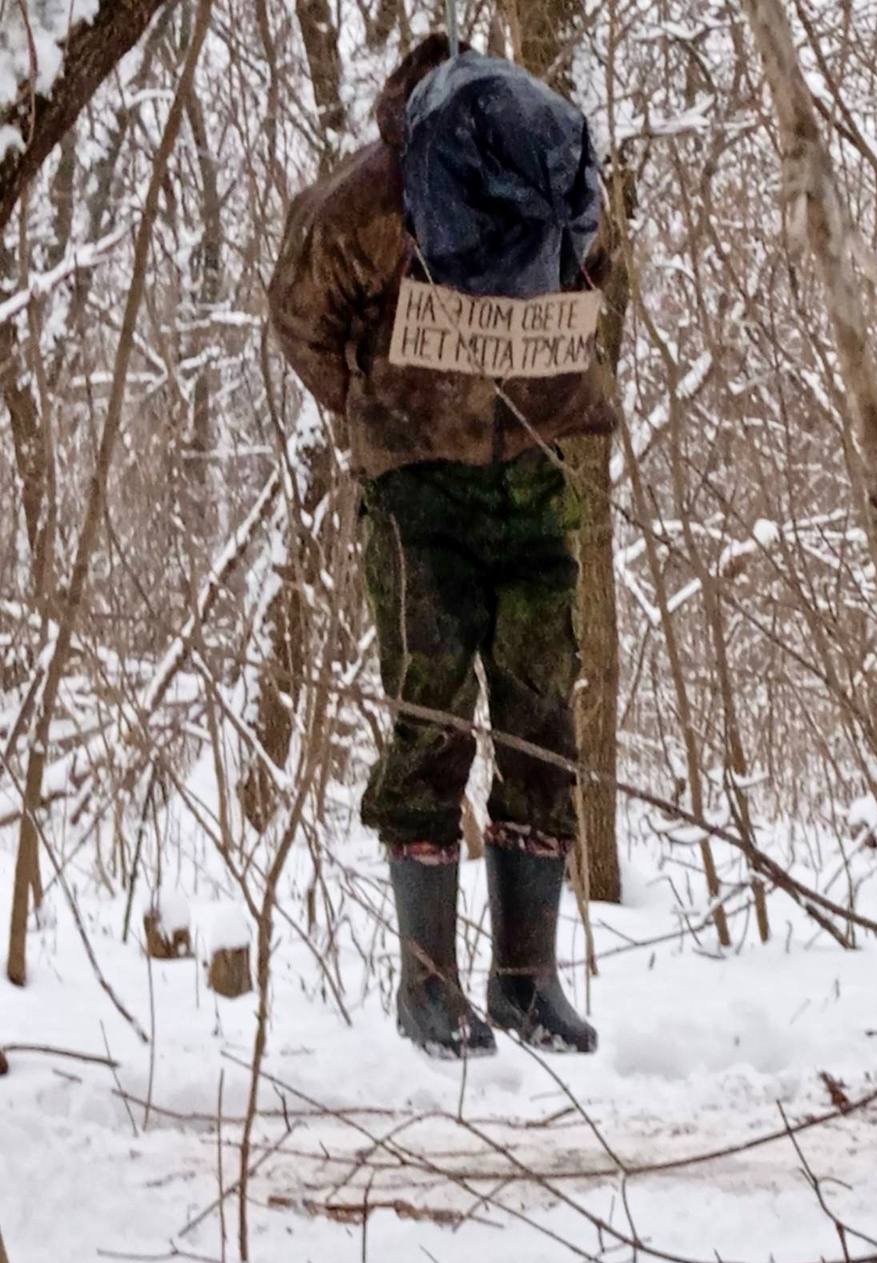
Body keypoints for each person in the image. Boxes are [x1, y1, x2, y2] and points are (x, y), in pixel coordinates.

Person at [268, 33, 616, 1058]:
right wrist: (378, 417)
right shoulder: (364, 205)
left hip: (535, 472)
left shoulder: (563, 169)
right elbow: (300, 319)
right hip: (417, 487)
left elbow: (598, 285)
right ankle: (427, 986)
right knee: (429, 711)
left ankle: (526, 979)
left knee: (545, 708)